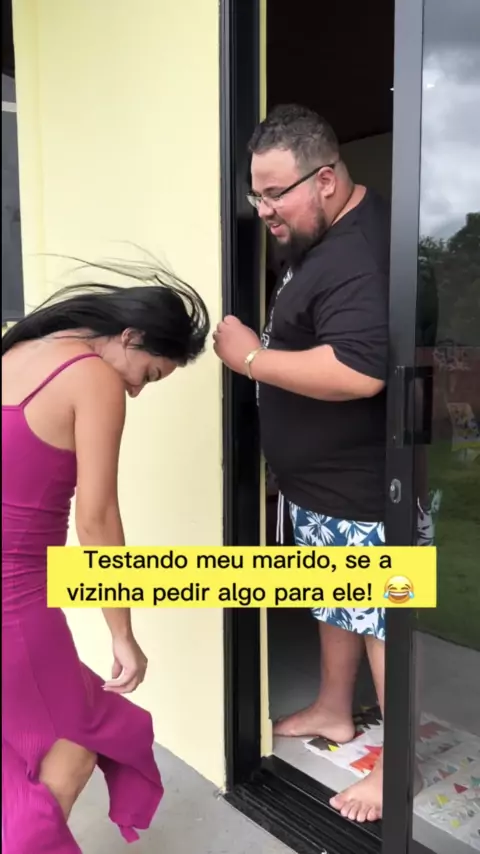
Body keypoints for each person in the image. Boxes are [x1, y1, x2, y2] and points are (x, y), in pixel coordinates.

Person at [213, 104, 391, 824]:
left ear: (324, 179)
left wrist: (251, 359)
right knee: (334, 595)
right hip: (319, 484)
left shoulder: (360, 254)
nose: (262, 211)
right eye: (255, 194)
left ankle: (397, 765)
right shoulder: (321, 236)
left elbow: (359, 371)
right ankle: (333, 709)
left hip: (366, 486)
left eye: (274, 194)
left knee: (382, 616)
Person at [2, 261, 210, 853]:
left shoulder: (19, 352)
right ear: (130, 337)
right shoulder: (91, 377)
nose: (136, 390)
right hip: (16, 609)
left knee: (33, 750)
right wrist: (123, 634)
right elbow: (96, 521)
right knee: (76, 741)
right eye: (148, 374)